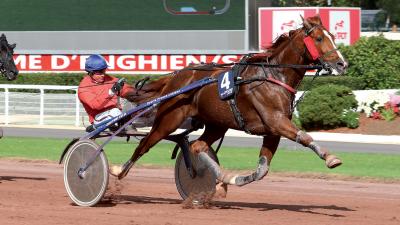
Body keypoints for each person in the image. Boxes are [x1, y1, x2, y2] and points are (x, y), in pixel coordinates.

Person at [78, 54, 135, 130]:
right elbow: (95, 105)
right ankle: (120, 125)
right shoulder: (83, 88)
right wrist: (111, 91)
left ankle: (128, 124)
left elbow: (126, 90)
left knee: (134, 104)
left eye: (104, 71)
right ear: (91, 72)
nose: (103, 75)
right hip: (98, 119)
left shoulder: (108, 79)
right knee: (115, 112)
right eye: (100, 72)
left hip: (117, 114)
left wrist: (136, 90)